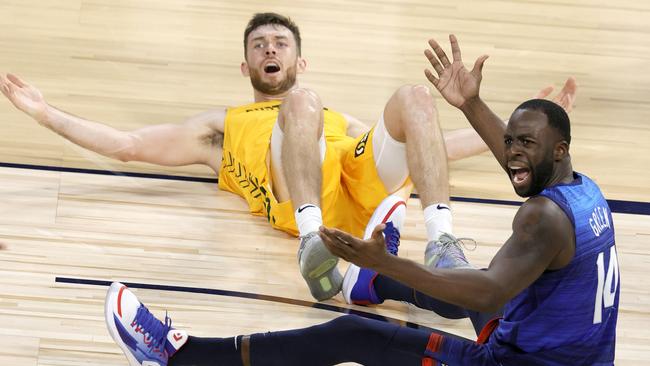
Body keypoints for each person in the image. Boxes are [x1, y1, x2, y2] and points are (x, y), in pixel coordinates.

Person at [101, 35, 616, 365]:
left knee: (356, 335)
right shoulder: (583, 191)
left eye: (526, 145)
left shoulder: (541, 218)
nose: (513, 155)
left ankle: (180, 358)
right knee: (463, 286)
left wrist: (392, 257)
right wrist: (473, 104)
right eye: (512, 144)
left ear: (560, 149)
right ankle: (367, 279)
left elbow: (482, 295)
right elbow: (515, 168)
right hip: (575, 355)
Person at [0, 12, 574, 301]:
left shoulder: (330, 116)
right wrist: (45, 114)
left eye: (281, 44)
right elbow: (127, 145)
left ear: (301, 60)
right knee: (301, 108)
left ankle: (444, 239)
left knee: (415, 97)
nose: (270, 48)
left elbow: (437, 149)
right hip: (302, 197)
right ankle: (311, 243)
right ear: (247, 68)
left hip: (355, 181)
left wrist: (522, 137)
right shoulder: (218, 129)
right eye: (259, 46)